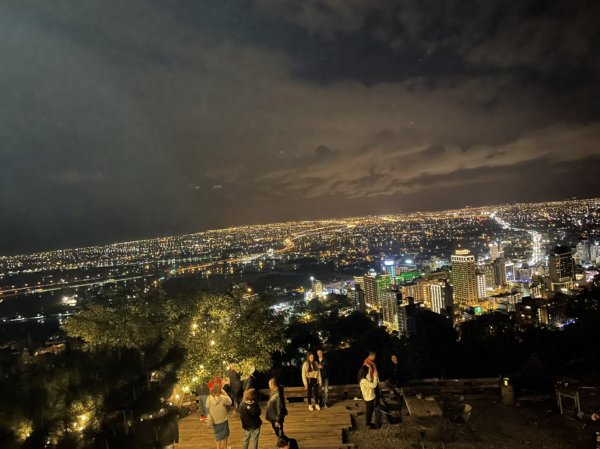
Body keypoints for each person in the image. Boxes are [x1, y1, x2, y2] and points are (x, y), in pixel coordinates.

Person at [206, 383, 233, 449]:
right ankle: (225, 447)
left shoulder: (209, 398)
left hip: (214, 420)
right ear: (220, 390)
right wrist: (225, 394)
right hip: (223, 419)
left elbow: (207, 406)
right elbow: (230, 402)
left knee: (217, 435)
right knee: (225, 435)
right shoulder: (223, 398)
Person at [358, 365, 378, 429]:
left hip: (368, 397)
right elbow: (373, 385)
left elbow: (369, 383)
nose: (368, 372)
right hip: (369, 398)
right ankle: (368, 424)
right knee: (369, 411)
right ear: (365, 372)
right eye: (368, 371)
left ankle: (368, 423)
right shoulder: (364, 381)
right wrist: (375, 377)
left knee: (369, 410)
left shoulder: (363, 379)